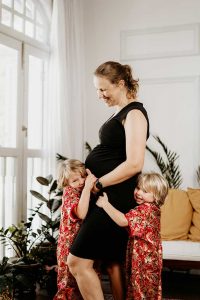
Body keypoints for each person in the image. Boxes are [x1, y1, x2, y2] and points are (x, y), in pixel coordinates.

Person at [67, 61, 149, 300]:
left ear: (121, 84)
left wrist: (99, 184)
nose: (99, 95)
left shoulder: (134, 113)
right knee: (112, 264)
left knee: (77, 262)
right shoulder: (120, 112)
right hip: (106, 196)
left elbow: (134, 163)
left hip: (112, 198)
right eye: (97, 90)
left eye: (103, 89)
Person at [96, 172, 169, 300]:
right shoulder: (153, 209)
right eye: (138, 188)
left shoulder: (145, 209)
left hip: (144, 261)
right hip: (147, 259)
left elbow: (123, 221)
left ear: (157, 196)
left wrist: (105, 204)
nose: (139, 192)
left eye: (145, 191)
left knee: (140, 289)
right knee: (145, 289)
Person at [53, 159, 96, 300]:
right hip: (68, 245)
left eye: (83, 177)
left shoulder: (81, 189)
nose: (81, 182)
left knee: (82, 281)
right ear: (67, 184)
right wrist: (88, 186)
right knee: (68, 283)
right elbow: (81, 213)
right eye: (75, 180)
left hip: (80, 242)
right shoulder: (70, 192)